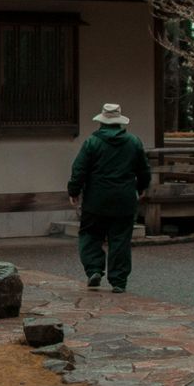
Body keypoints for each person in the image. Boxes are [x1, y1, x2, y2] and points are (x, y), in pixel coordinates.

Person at [67, 103, 151, 292]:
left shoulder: (92, 143)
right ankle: (119, 281)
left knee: (90, 235)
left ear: (102, 122)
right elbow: (143, 169)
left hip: (96, 199)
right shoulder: (134, 142)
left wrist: (74, 191)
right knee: (120, 239)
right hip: (125, 199)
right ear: (119, 122)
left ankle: (94, 269)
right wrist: (142, 186)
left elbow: (79, 169)